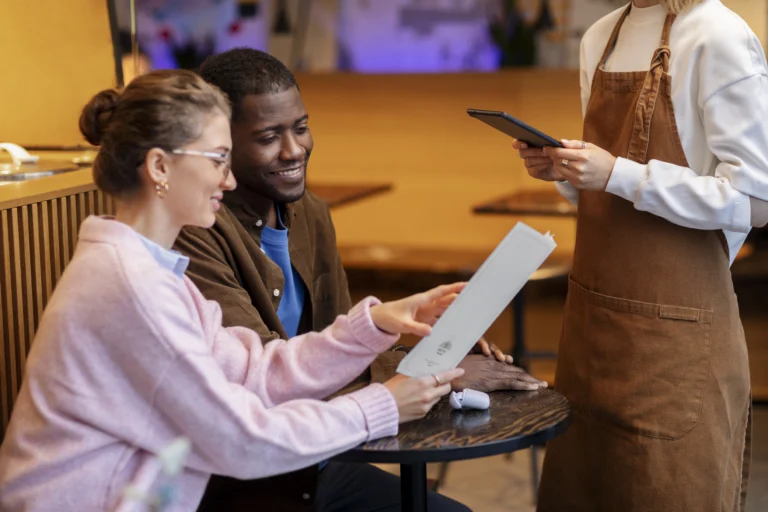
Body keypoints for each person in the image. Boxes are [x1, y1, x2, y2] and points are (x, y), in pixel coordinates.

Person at [0, 70, 470, 512]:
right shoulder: (129, 287)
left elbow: (255, 372)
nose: (228, 179)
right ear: (160, 166)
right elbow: (240, 440)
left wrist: (375, 323)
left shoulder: (149, 271)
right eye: (218, 159)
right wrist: (381, 406)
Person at [172, 47, 547, 511]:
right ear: (220, 145)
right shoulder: (195, 232)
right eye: (268, 137)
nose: (294, 150)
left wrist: (436, 354)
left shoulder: (310, 213)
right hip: (245, 478)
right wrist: (428, 373)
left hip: (319, 460)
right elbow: (268, 375)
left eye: (301, 128)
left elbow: (341, 344)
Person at [513, 0, 768, 510]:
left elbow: (756, 200)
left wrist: (617, 174)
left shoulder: (716, 34)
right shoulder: (600, 37)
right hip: (591, 334)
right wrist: (569, 172)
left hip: (676, 347)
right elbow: (615, 195)